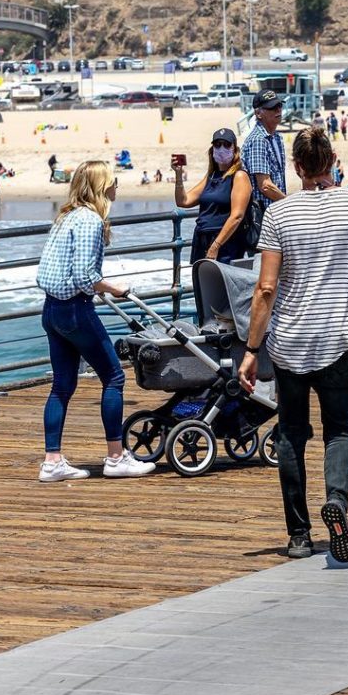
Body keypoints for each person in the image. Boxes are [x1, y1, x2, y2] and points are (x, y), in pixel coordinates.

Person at [238, 127, 348, 562]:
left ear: (297, 166)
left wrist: (251, 350)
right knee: (339, 431)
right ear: (333, 159)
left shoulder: (280, 214)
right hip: (340, 337)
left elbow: (266, 288)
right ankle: (337, 503)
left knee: (291, 434)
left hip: (290, 342)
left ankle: (299, 536)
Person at [35, 161, 154, 482]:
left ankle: (52, 461)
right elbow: (85, 275)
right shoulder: (89, 221)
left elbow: (62, 268)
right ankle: (116, 457)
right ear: (102, 187)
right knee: (114, 377)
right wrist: (116, 288)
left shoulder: (66, 217)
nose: (118, 185)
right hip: (74, 311)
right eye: (113, 180)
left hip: (52, 310)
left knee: (61, 386)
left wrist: (93, 286)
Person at [174, 127, 251, 265]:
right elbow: (183, 201)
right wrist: (179, 175)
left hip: (225, 243)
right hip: (202, 239)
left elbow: (237, 216)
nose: (222, 148)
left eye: (227, 144)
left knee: (220, 285)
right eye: (217, 144)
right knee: (201, 285)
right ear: (212, 149)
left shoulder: (239, 176)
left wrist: (216, 246)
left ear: (235, 149)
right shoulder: (211, 176)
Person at [242, 90, 287, 211]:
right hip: (264, 214)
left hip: (275, 210)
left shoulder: (276, 137)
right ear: (258, 113)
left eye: (279, 106)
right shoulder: (258, 140)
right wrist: (288, 203)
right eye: (272, 108)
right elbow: (265, 185)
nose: (278, 110)